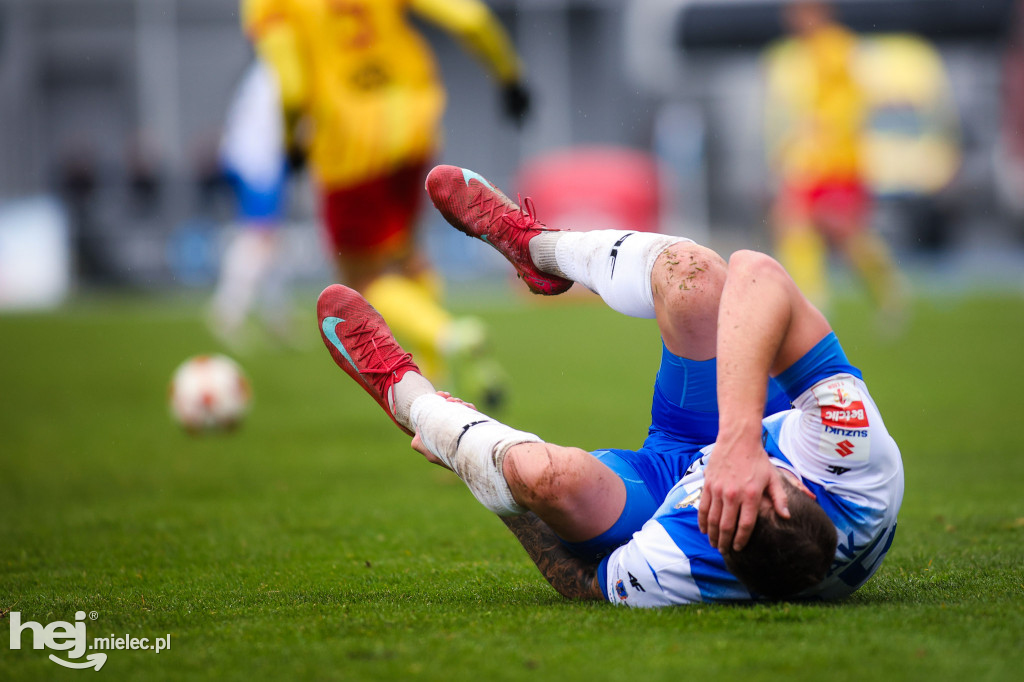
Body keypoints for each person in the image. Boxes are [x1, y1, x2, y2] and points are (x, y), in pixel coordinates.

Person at [316, 165, 904, 605]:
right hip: (740, 423)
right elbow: (758, 270)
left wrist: (489, 477)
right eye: (757, 484)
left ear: (716, 538)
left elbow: (581, 584)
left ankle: (408, 398)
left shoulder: (688, 564)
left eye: (719, 508)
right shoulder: (855, 464)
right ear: (799, 482)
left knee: (545, 480)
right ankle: (537, 249)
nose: (719, 487)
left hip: (660, 482)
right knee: (696, 277)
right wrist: (740, 440)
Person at [242, 0, 530, 406]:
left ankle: (447, 335)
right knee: (407, 254)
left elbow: (290, 85)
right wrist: (509, 76)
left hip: (347, 140)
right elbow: (471, 17)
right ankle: (438, 374)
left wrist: (292, 144)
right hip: (411, 123)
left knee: (361, 278)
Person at [764, 1, 906, 320]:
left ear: (818, 12)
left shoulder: (836, 50)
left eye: (800, 11)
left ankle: (886, 286)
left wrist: (825, 134)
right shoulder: (798, 53)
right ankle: (813, 299)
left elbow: (848, 105)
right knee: (793, 222)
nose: (792, 18)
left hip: (836, 162)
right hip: (810, 161)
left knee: (846, 235)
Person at [209, 59, 296, 349]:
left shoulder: (267, 70)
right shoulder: (281, 69)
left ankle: (276, 316)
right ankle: (227, 312)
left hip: (257, 156)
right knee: (260, 237)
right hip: (259, 162)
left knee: (271, 241)